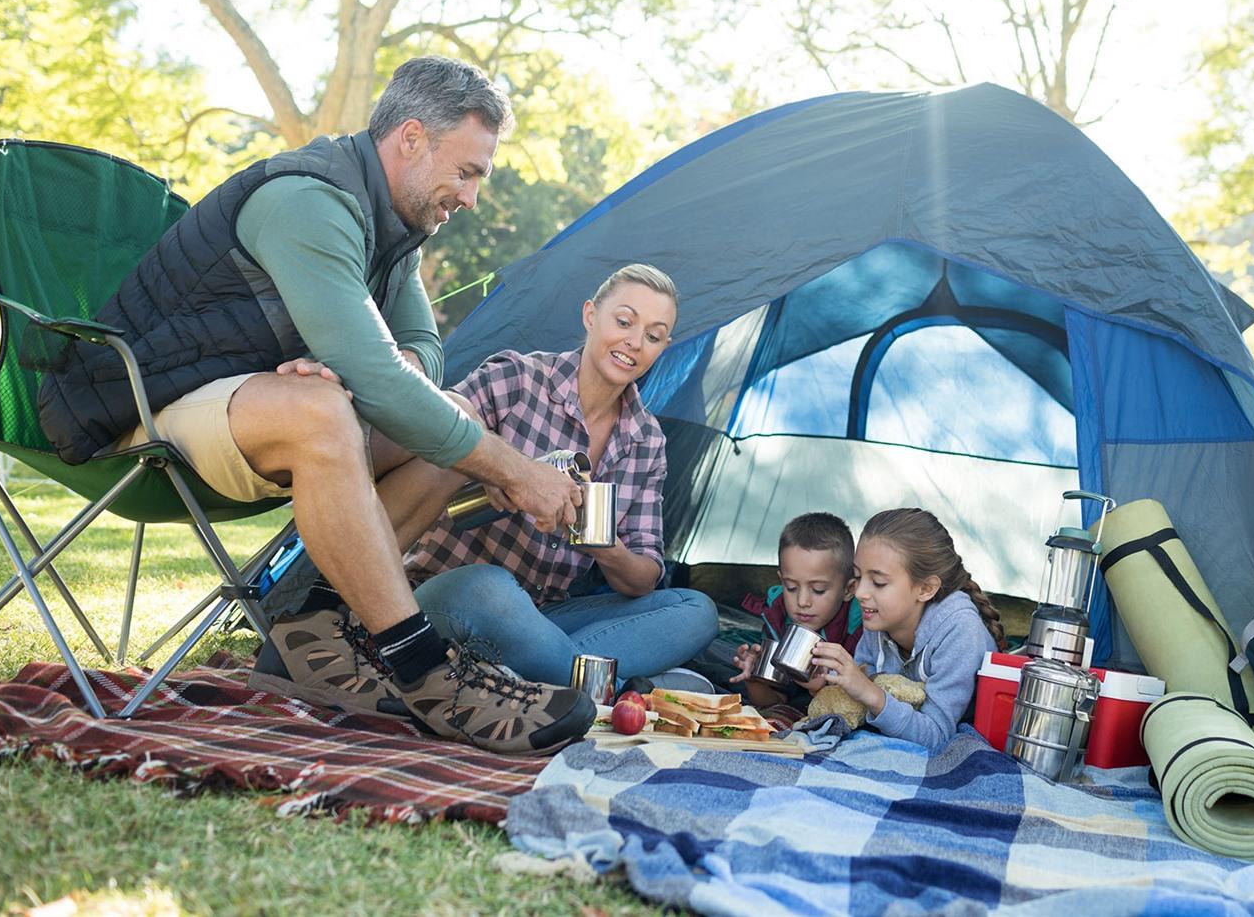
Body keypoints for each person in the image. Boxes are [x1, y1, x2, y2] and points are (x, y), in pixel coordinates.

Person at [36, 57, 596, 755]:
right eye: (469, 171)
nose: (473, 197)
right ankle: (424, 670)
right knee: (326, 412)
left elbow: (421, 352)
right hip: (141, 409)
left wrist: (363, 368)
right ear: (412, 139)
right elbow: (386, 382)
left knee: (447, 414)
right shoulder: (310, 200)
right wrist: (514, 470)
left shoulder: (393, 228)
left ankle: (317, 625)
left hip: (241, 402)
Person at [394, 264, 719, 687]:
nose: (634, 343)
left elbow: (643, 577)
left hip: (545, 618)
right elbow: (437, 419)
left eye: (653, 336)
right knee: (491, 587)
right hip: (453, 593)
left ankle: (536, 676)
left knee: (695, 611)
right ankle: (609, 690)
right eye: (624, 322)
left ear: (663, 348)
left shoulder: (646, 441)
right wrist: (501, 470)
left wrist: (599, 541)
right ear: (590, 315)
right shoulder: (519, 379)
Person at [810, 508, 1005, 751]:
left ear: (925, 588)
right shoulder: (879, 617)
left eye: (879, 582)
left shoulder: (960, 632)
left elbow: (936, 735)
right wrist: (827, 683)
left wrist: (869, 692)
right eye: (858, 577)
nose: (860, 593)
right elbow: (855, 702)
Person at [729, 512, 861, 712]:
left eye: (818, 590)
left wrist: (821, 689)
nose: (802, 602)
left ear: (848, 590)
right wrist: (754, 677)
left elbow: (865, 705)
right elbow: (771, 703)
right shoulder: (777, 616)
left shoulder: (860, 629)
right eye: (791, 587)